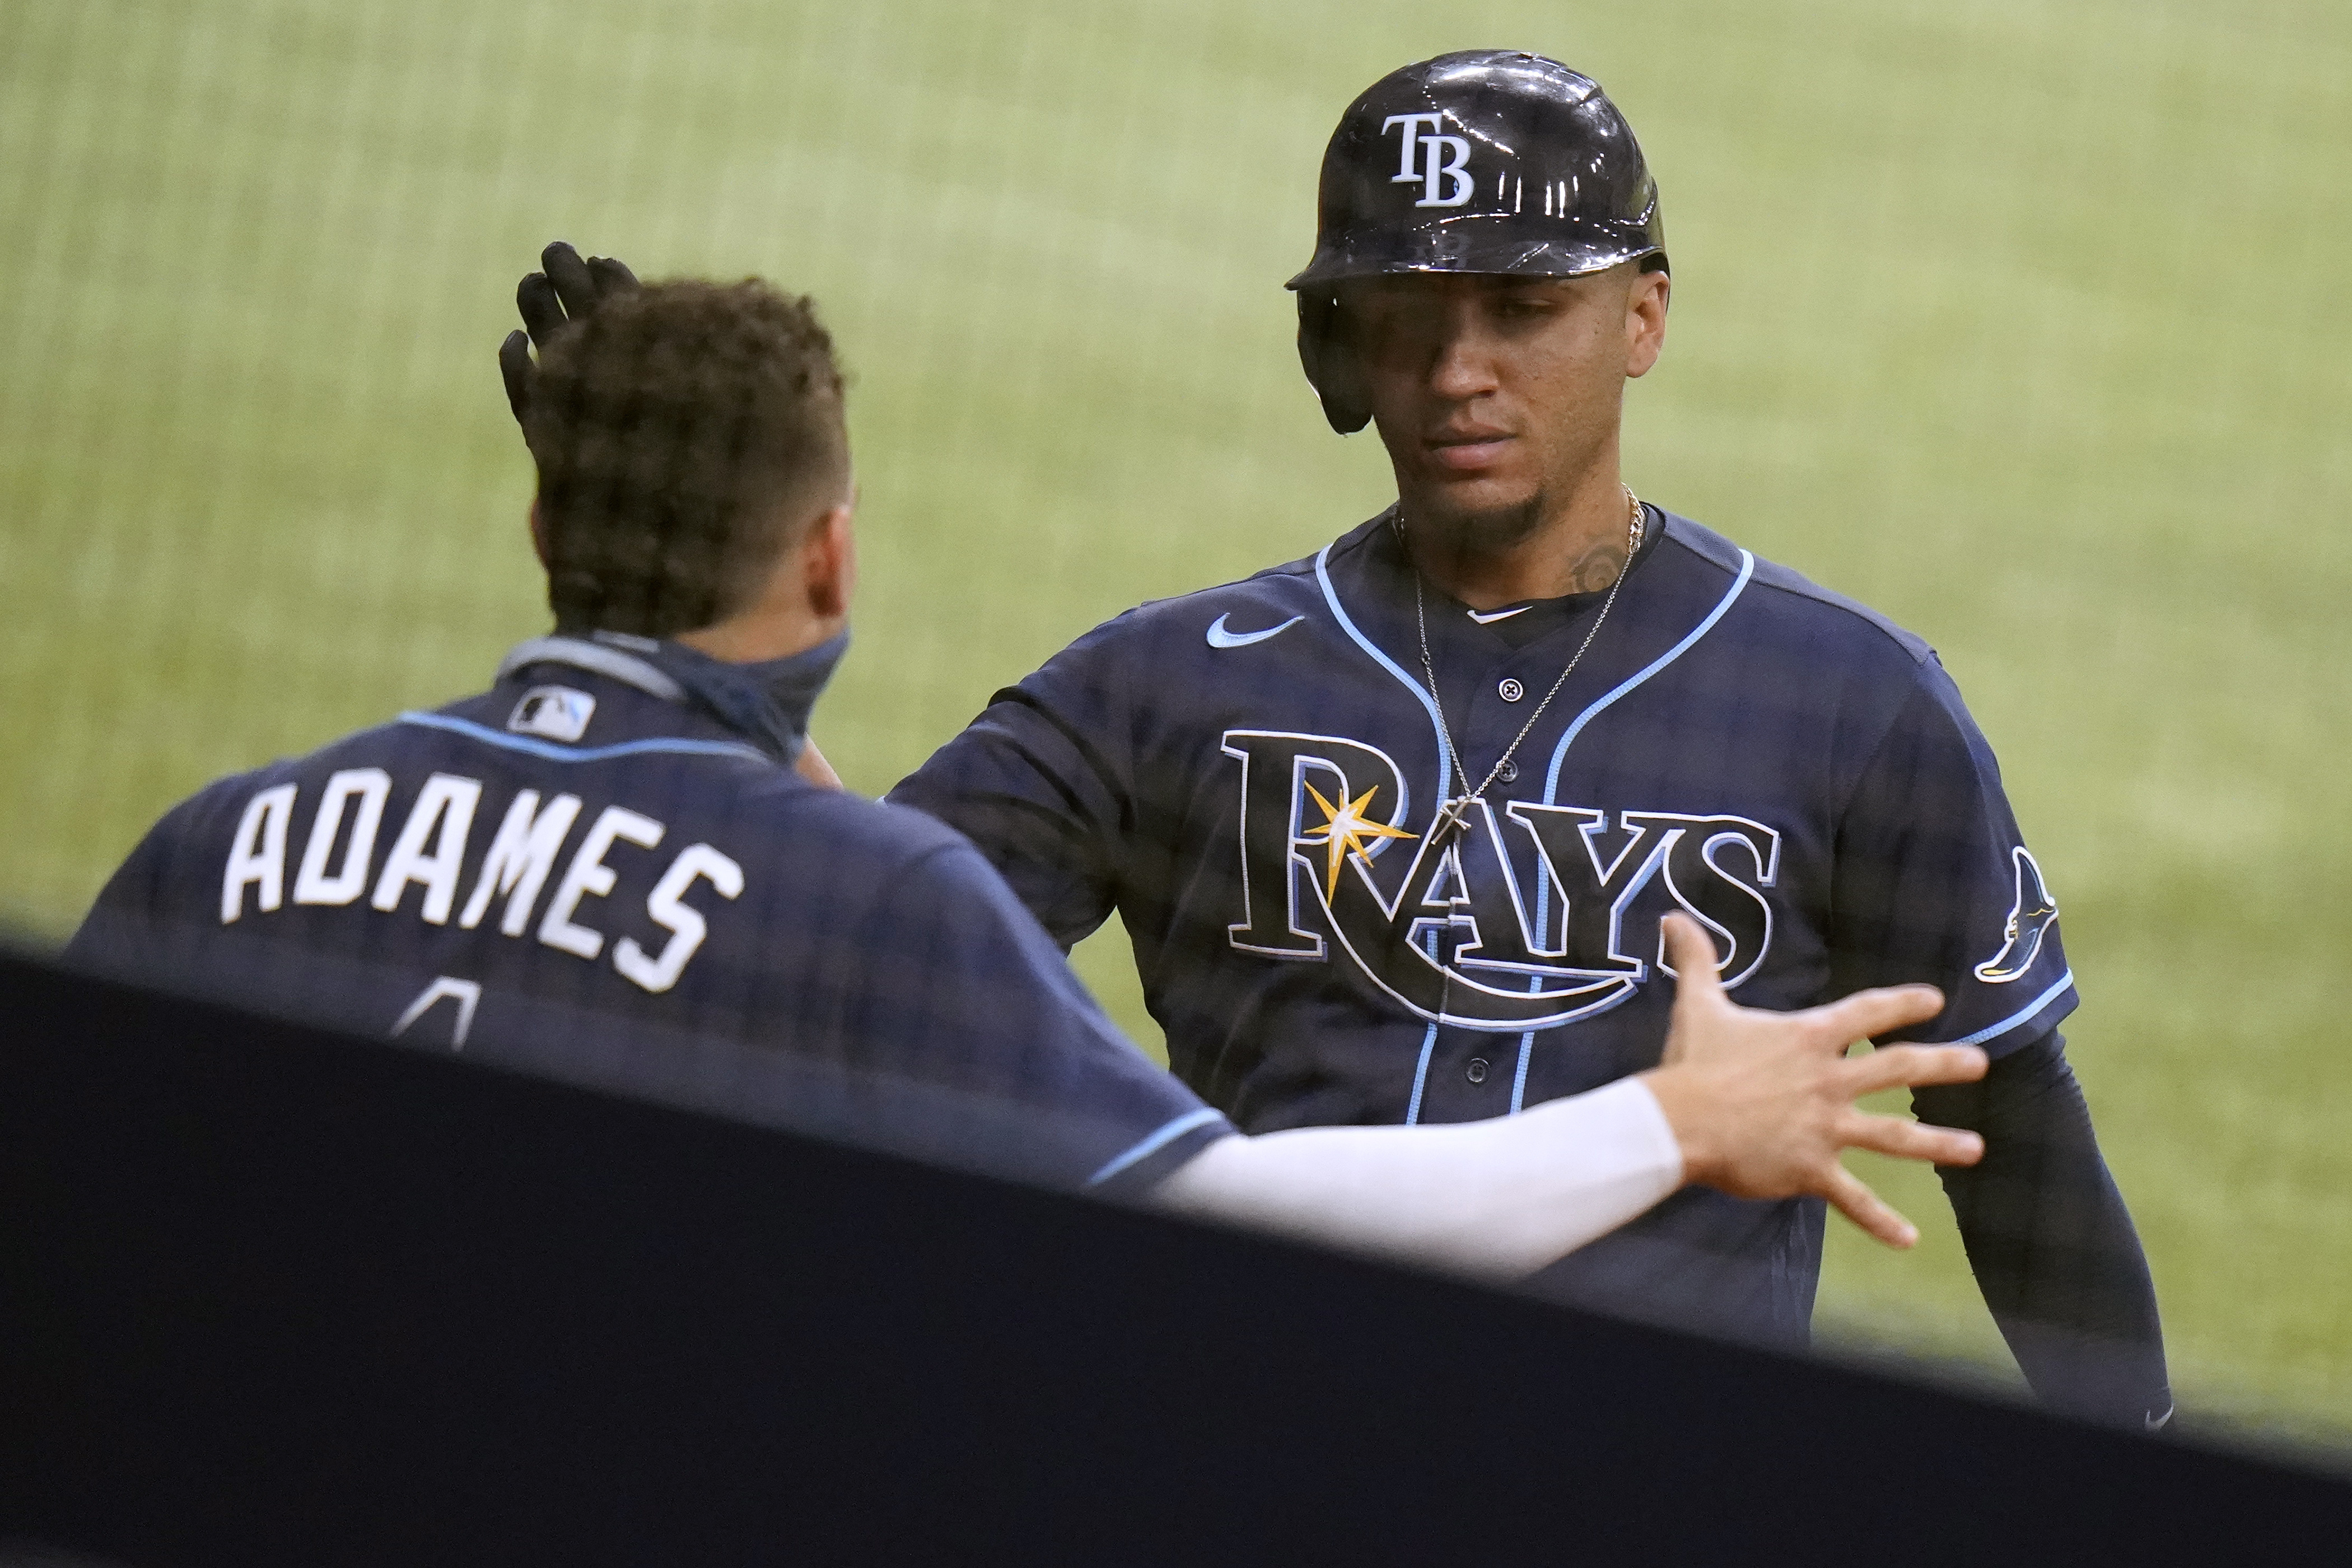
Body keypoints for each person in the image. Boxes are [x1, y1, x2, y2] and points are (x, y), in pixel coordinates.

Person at [69, 276, 1990, 1285]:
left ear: (544, 521)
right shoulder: (857, 907)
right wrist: (1670, 1122)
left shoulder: (227, 839)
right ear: (828, 560)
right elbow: (1227, 1222)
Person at [870, 52, 2169, 1424]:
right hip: (1246, 1433)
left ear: (1642, 317)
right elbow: (862, 928)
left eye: (1525, 308)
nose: (1459, 371)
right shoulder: (1170, 685)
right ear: (1342, 343)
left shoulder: (1846, 700)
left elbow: (2009, 1121)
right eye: (1408, 316)